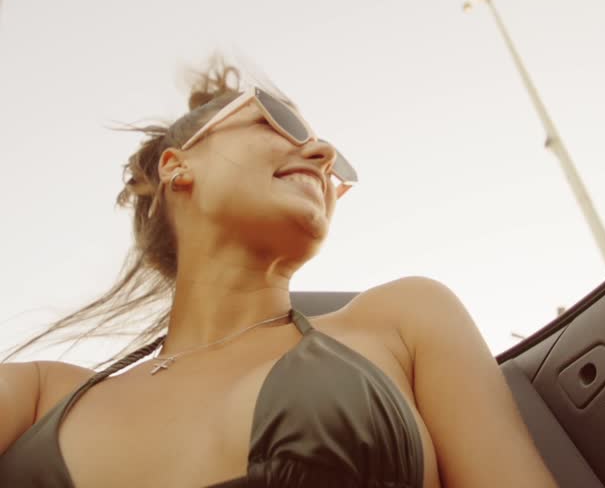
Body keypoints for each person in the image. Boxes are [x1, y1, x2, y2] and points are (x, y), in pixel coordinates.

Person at [0, 60, 560, 487]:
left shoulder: (406, 319)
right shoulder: (37, 396)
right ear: (179, 165)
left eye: (332, 161)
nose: (321, 152)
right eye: (282, 123)